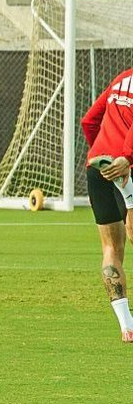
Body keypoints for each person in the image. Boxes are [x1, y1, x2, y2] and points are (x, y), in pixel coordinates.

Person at [78, 68, 133, 343]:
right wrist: (126, 157)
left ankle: (126, 326)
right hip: (126, 169)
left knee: (111, 248)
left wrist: (101, 158)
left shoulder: (121, 79)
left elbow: (89, 121)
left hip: (99, 166)